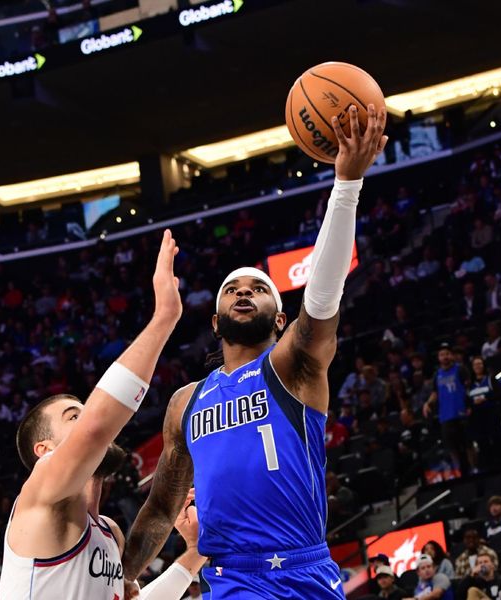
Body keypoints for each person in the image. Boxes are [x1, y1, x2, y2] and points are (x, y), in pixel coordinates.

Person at [122, 105, 389, 598]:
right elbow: (162, 508)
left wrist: (346, 187)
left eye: (259, 289)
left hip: (302, 568)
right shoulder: (186, 401)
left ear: (282, 319)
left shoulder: (293, 367)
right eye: (233, 289)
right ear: (216, 320)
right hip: (229, 577)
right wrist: (120, 579)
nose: (244, 292)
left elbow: (324, 295)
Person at [0, 230, 205, 599]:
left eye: (82, 413)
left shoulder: (109, 530)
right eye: (72, 417)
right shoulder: (40, 495)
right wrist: (164, 318)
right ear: (45, 451)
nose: (88, 422)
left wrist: (195, 554)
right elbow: (97, 426)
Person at [423, 342, 471, 474]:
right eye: (442, 354)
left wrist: (468, 405)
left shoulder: (460, 369)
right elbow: (435, 393)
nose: (445, 357)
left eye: (448, 354)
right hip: (446, 416)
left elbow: (468, 388)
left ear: (452, 356)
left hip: (461, 413)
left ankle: (475, 469)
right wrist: (428, 403)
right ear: (439, 358)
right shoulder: (437, 375)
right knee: (452, 448)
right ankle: (458, 472)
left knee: (468, 445)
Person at [466, 357, 501, 468]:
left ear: (483, 365)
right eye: (475, 365)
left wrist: (486, 398)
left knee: (497, 441)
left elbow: (499, 394)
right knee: (483, 443)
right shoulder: (469, 385)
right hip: (477, 418)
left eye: (480, 364)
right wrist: (472, 404)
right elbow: (467, 401)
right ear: (472, 368)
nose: (478, 366)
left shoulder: (490, 379)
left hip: (491, 415)